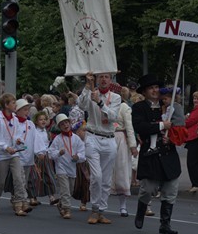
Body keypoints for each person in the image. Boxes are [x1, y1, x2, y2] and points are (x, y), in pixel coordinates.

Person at [132, 74, 181, 234]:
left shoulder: (168, 104)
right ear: (144, 92)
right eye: (151, 88)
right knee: (148, 188)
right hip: (151, 154)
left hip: (168, 153)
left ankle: (165, 224)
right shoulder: (139, 107)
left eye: (156, 88)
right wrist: (161, 125)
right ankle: (141, 212)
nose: (154, 90)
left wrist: (172, 138)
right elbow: (141, 127)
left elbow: (179, 126)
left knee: (170, 189)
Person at [78, 72, 121, 225]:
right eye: (101, 76)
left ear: (110, 80)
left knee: (106, 178)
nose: (103, 79)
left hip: (109, 138)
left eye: (106, 77)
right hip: (93, 137)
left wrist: (101, 103)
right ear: (96, 79)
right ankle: (95, 209)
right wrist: (87, 86)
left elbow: (114, 117)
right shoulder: (90, 93)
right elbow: (81, 105)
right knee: (96, 176)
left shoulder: (115, 97)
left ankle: (102, 211)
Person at [0, 93, 30, 216]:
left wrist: (18, 141)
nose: (15, 105)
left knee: (18, 178)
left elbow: (17, 134)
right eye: (13, 103)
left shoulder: (15, 119)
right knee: (0, 181)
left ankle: (18, 205)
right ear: (6, 105)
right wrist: (6, 147)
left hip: (14, 154)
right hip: (2, 154)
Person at [48, 114, 86, 219]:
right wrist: (58, 153)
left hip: (72, 168)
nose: (65, 125)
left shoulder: (77, 139)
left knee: (70, 190)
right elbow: (50, 153)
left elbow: (83, 153)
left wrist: (78, 157)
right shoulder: (57, 139)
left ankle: (61, 203)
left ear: (70, 123)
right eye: (62, 124)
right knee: (65, 189)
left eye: (66, 123)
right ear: (59, 127)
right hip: (61, 168)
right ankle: (67, 209)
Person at [111, 85, 138, 216]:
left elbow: (130, 127)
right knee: (105, 171)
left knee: (122, 171)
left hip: (121, 140)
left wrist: (133, 145)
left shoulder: (124, 107)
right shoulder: (104, 106)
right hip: (107, 138)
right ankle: (100, 204)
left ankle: (123, 206)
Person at [31, 111, 58, 206]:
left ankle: (51, 196)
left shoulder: (46, 132)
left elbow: (47, 144)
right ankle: (33, 197)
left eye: (44, 119)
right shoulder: (34, 131)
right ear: (36, 121)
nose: (43, 121)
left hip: (45, 156)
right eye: (40, 119)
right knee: (36, 177)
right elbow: (34, 144)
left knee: (48, 176)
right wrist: (37, 153)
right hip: (37, 156)